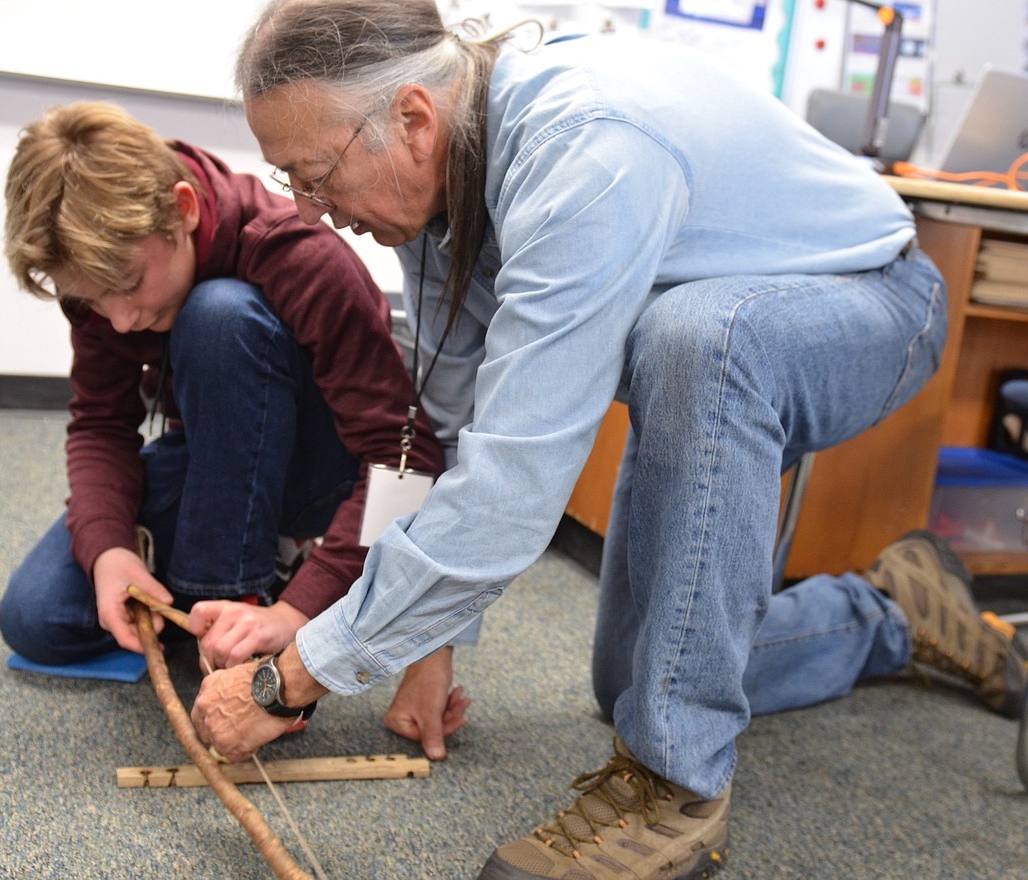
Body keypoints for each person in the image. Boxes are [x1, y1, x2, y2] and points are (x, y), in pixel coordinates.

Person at [189, 3, 1028, 878]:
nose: (314, 213)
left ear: (411, 119)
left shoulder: (585, 151)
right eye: (292, 183)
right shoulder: (435, 194)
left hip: (872, 300)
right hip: (720, 343)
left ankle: (678, 791)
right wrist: (423, 648)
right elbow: (435, 433)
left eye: (316, 177)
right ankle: (892, 611)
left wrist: (288, 679)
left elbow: (513, 488)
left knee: (696, 339)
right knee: (638, 682)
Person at [0, 100, 471, 760]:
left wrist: (297, 614)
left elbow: (404, 461)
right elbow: (103, 424)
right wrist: (111, 552)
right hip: (213, 455)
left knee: (218, 316)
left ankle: (247, 590)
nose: (122, 321)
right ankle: (234, 581)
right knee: (36, 619)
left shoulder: (297, 254)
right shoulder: (108, 284)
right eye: (94, 302)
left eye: (129, 288)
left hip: (321, 472)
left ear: (185, 209)